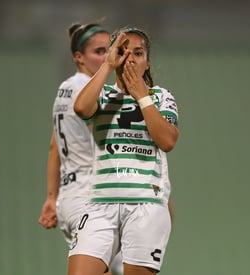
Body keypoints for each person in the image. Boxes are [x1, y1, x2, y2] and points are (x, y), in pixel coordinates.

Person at [70, 27, 179, 275]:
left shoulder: (160, 97)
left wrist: (141, 95)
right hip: (99, 204)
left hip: (146, 204)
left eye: (138, 53)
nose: (129, 58)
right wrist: (106, 66)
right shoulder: (103, 94)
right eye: (122, 52)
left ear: (147, 63)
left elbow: (168, 141)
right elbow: (81, 108)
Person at [38, 22, 123, 274]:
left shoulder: (65, 88)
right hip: (92, 196)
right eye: (99, 52)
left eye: (110, 51)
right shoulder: (89, 91)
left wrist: (52, 198)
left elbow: (54, 147)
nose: (108, 58)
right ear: (78, 57)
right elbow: (107, 141)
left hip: (70, 197)